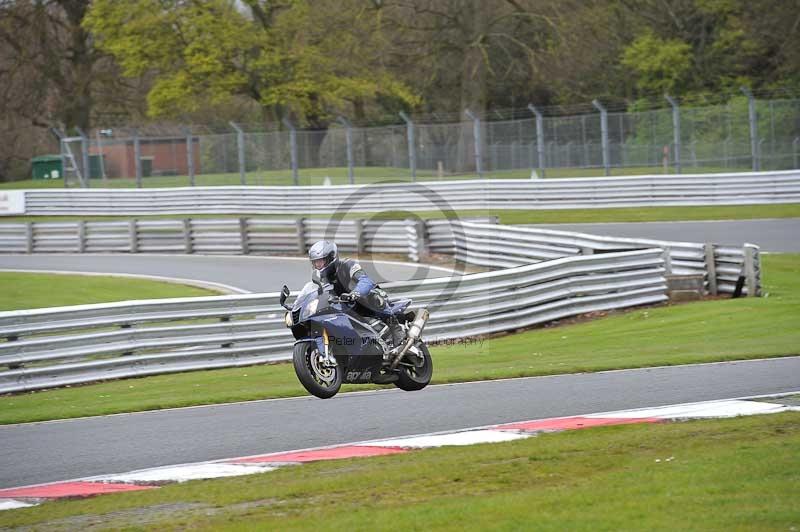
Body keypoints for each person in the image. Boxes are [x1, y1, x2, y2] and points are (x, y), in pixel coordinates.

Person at [308, 240, 404, 348]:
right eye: (315, 262)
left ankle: (395, 327)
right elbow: (317, 294)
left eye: (320, 262)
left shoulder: (347, 265)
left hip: (366, 302)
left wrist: (355, 294)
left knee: (373, 296)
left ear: (331, 257)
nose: (317, 266)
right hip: (348, 310)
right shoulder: (321, 279)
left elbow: (366, 281)